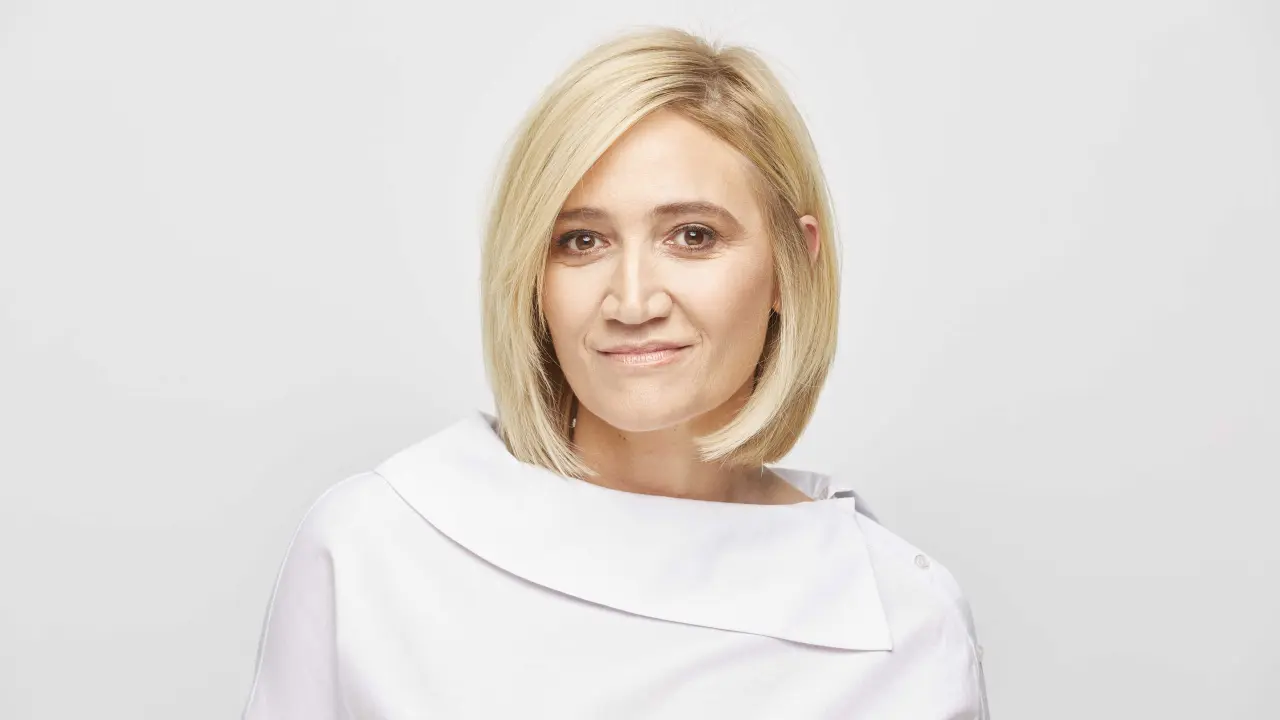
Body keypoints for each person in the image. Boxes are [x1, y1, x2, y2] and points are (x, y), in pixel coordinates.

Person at [242, 26, 989, 719]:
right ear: (532, 276)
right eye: (582, 241)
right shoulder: (377, 547)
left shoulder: (899, 621)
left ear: (791, 268)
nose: (633, 302)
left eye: (692, 236)